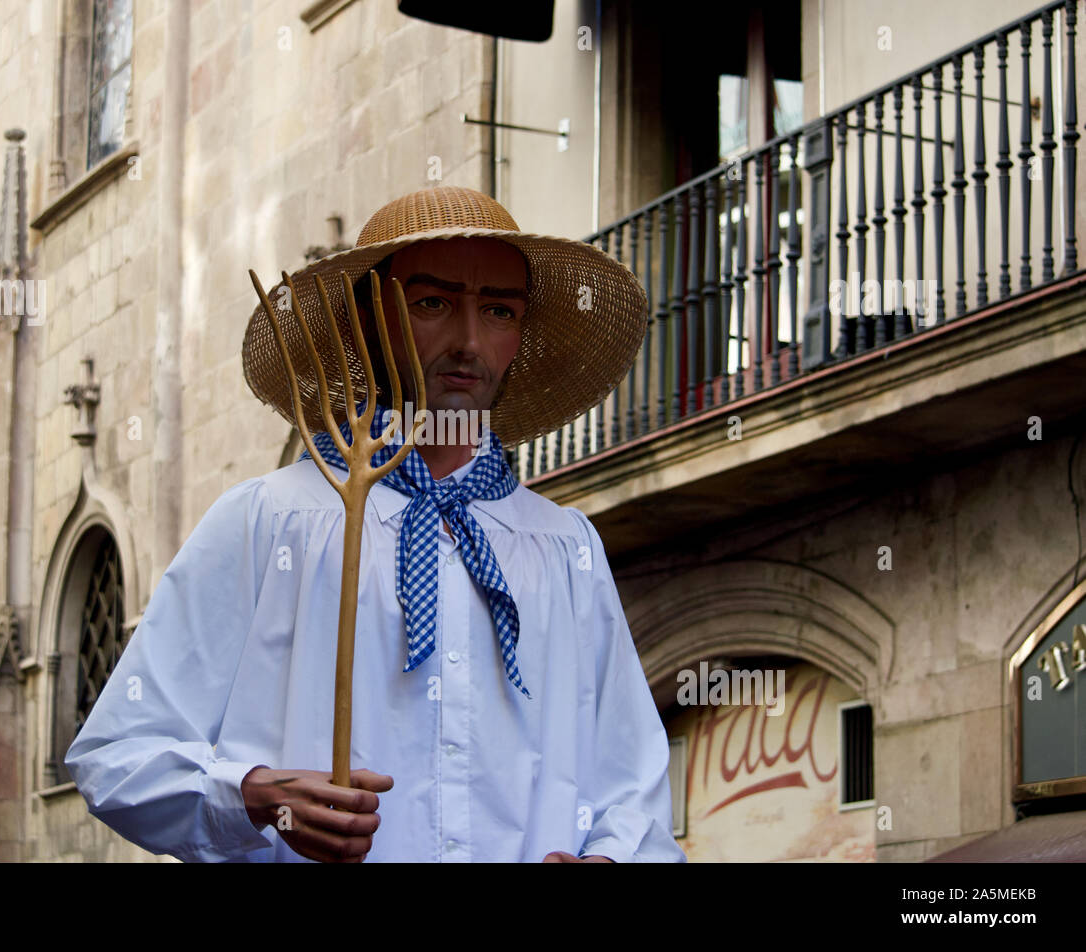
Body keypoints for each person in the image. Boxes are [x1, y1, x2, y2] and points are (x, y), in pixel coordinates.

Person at [65, 185, 686, 863]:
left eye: (499, 311)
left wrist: (607, 858)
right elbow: (118, 755)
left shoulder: (565, 548)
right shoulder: (271, 522)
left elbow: (633, 789)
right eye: (431, 304)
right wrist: (252, 797)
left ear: (520, 336)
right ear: (367, 322)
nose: (469, 341)